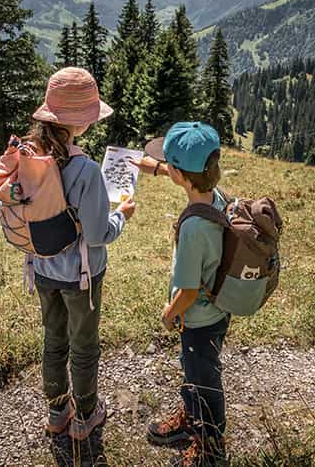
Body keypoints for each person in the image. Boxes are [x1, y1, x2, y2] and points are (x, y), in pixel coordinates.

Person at [26, 67, 136, 467]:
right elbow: (97, 235)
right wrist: (122, 214)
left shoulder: (30, 157)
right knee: (83, 346)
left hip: (41, 269)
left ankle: (57, 414)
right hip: (81, 275)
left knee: (54, 341)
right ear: (83, 121)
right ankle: (86, 417)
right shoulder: (87, 171)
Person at [135, 122, 229, 467]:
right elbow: (192, 180)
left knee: (204, 380)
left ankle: (210, 446)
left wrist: (170, 313)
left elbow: (188, 290)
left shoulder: (192, 228)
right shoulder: (215, 198)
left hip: (198, 318)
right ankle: (190, 419)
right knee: (195, 371)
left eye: (168, 164)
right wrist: (159, 169)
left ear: (179, 173)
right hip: (217, 311)